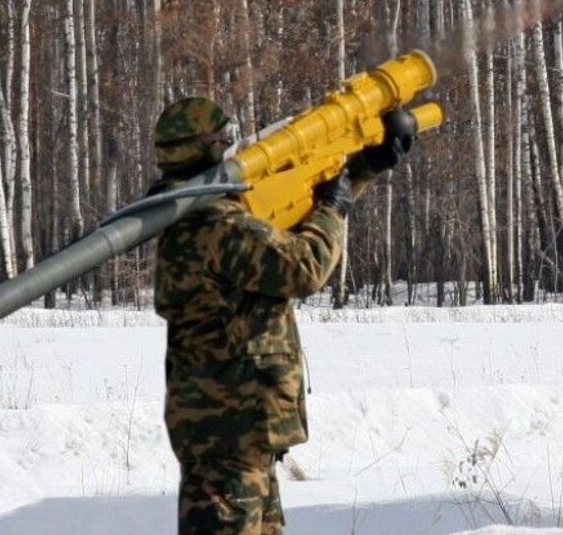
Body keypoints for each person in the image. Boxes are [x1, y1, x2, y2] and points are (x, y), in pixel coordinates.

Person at [150, 96, 410, 535]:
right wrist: (334, 208)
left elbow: (289, 215)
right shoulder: (217, 226)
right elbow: (302, 265)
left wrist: (362, 168)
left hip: (232, 433)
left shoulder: (198, 218)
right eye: (225, 140)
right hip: (230, 432)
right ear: (212, 147)